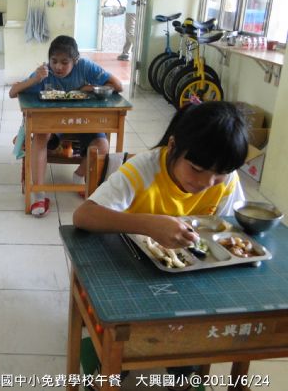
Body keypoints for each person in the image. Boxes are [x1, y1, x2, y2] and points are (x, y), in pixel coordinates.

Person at [73, 101, 248, 390]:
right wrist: (149, 224)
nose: (207, 182)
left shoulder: (226, 181)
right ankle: (113, 365)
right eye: (197, 169)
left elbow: (230, 228)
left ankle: (183, 371)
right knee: (126, 337)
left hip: (189, 276)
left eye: (219, 174)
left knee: (192, 332)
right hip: (131, 269)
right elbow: (83, 216)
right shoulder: (143, 170)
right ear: (173, 146)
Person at [9, 35, 123, 217]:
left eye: (64, 62)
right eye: (54, 61)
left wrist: (89, 88)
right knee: (40, 136)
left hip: (84, 120)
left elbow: (117, 85)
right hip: (55, 121)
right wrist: (35, 79)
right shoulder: (45, 72)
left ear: (75, 60)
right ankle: (39, 193)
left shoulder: (85, 67)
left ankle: (78, 176)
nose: (58, 67)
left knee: (102, 145)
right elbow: (13, 92)